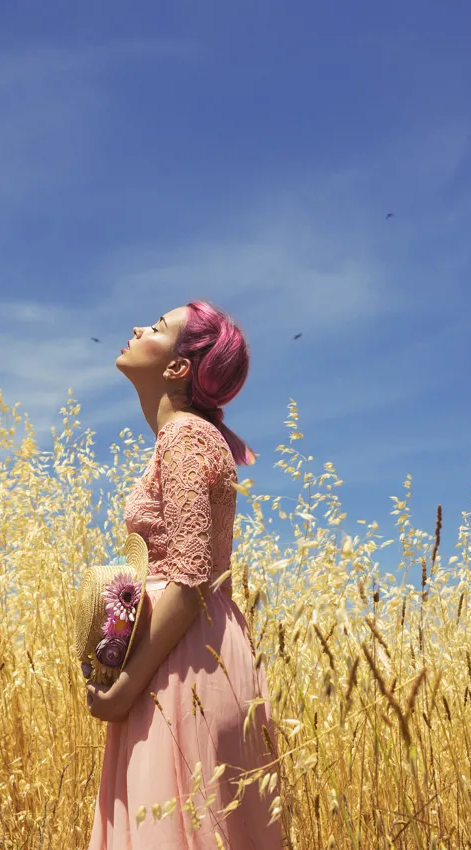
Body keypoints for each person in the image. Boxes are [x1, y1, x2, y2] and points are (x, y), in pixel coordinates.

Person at [84, 301, 284, 848]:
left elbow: (192, 578)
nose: (135, 328)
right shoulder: (187, 437)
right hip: (192, 649)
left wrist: (124, 687)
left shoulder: (186, 437)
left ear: (177, 368)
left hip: (183, 661)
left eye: (156, 327)